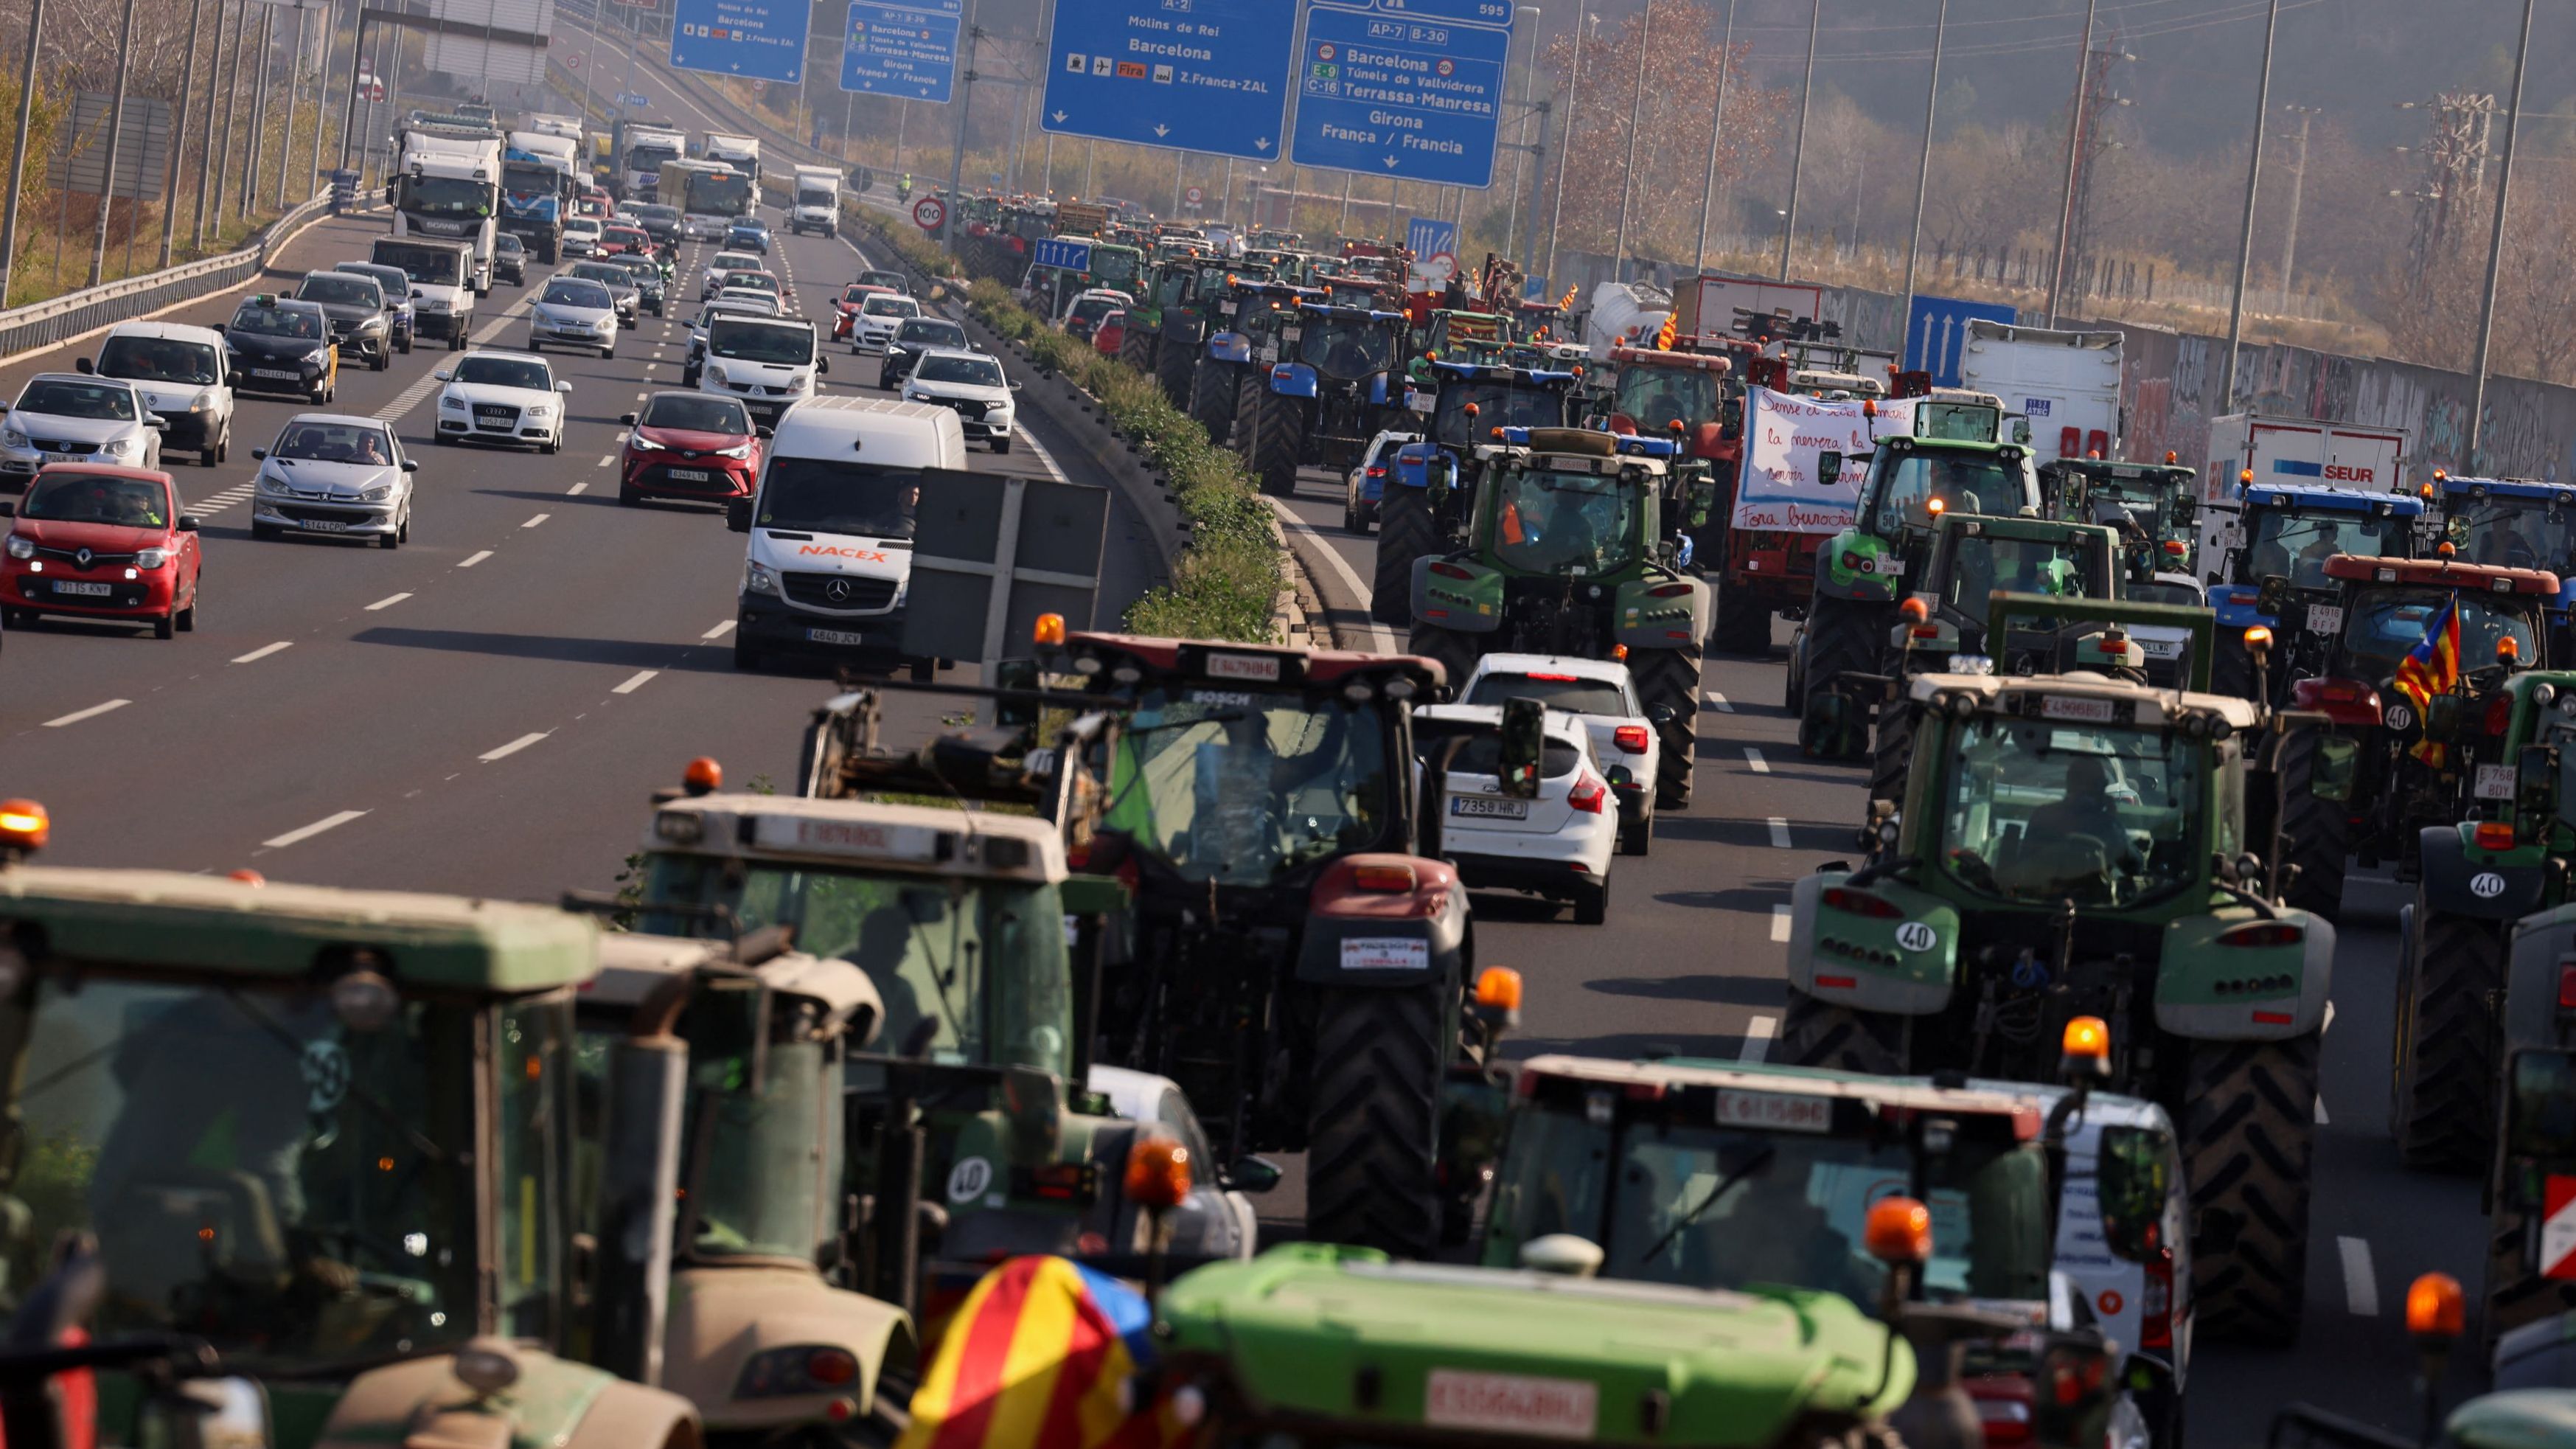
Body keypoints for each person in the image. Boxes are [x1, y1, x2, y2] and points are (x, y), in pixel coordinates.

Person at [2024, 754, 2130, 859]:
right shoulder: (2108, 825)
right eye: (2103, 784)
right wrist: (2111, 817)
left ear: (2069, 783)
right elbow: (2130, 863)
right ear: (2101, 787)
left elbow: (2025, 858)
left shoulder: (2043, 816)